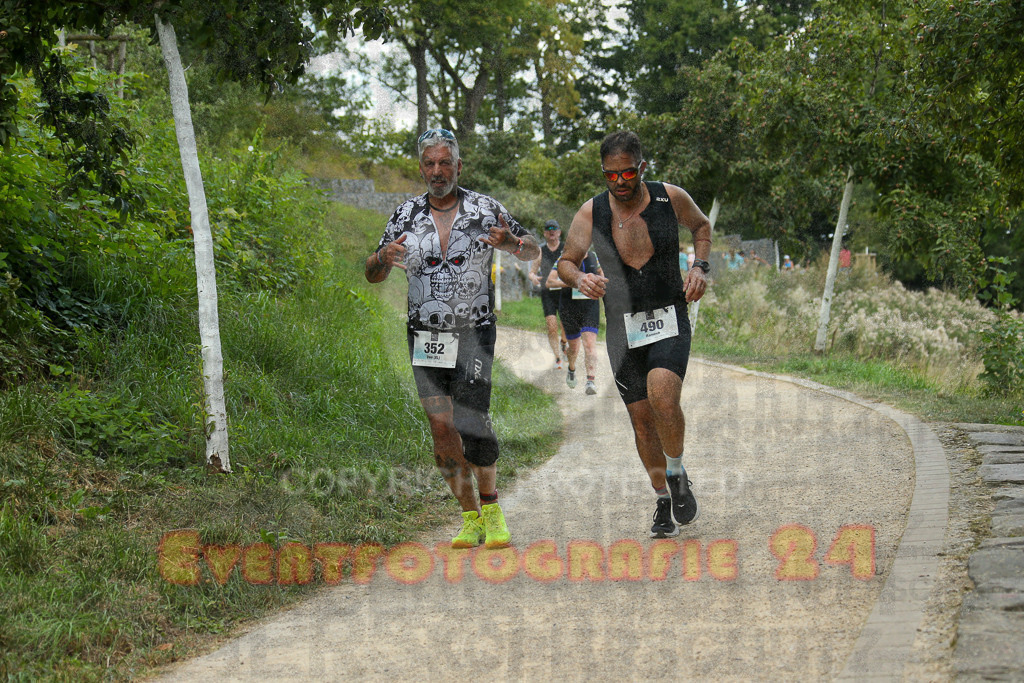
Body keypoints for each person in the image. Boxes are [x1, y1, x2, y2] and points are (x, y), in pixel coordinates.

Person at [365, 128, 540, 549]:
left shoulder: (484, 208)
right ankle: (470, 518)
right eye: (430, 163)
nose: (438, 171)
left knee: (471, 419)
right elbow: (372, 272)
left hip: (473, 332)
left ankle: (493, 509)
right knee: (441, 429)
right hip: (424, 335)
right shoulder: (405, 215)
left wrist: (512, 242)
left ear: (459, 166)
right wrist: (382, 258)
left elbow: (533, 249)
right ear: (421, 168)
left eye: (446, 163)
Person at [557, 130, 711, 538]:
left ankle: (676, 471)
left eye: (627, 173)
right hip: (623, 329)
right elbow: (566, 262)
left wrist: (700, 267)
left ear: (642, 167)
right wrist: (581, 280)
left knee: (663, 394)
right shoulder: (591, 213)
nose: (620, 182)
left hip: (669, 315)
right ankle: (663, 498)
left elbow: (701, 226)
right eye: (611, 175)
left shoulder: (669, 197)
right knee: (642, 421)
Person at [546, 249, 603, 395]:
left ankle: (591, 381)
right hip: (569, 307)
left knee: (589, 343)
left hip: (590, 305)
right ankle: (571, 368)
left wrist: (599, 282)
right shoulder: (564, 258)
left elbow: (602, 276)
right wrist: (573, 282)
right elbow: (549, 282)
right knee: (574, 348)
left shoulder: (593, 256)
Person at [529, 220, 569, 369]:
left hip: (564, 291)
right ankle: (558, 358)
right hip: (547, 293)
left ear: (559, 232)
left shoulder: (566, 249)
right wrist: (533, 277)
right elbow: (532, 272)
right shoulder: (540, 251)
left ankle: (564, 343)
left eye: (554, 229)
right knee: (551, 326)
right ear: (545, 234)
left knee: (565, 324)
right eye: (548, 230)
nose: (552, 232)